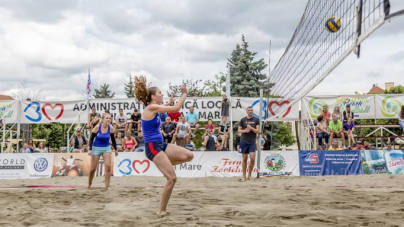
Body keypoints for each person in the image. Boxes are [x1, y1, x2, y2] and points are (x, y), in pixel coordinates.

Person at [134, 76, 193, 216]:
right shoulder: (152, 107)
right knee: (172, 179)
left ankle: (165, 165)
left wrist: (169, 102)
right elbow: (176, 108)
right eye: (160, 93)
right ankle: (161, 210)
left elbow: (166, 109)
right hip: (152, 147)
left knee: (189, 155)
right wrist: (184, 93)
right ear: (154, 97)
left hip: (160, 144)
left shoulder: (154, 108)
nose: (162, 94)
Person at [88, 112, 117, 190]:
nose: (108, 119)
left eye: (109, 118)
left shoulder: (111, 128)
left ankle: (107, 186)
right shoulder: (97, 127)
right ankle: (89, 183)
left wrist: (116, 149)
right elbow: (91, 139)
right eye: (106, 118)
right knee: (93, 169)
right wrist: (90, 149)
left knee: (108, 166)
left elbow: (113, 140)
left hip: (106, 148)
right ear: (103, 119)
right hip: (96, 148)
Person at [238, 106, 260, 181]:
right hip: (244, 141)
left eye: (251, 110)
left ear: (252, 111)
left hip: (252, 142)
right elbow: (239, 130)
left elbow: (257, 131)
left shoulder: (256, 120)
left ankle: (249, 174)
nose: (250, 111)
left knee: (253, 158)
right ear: (246, 111)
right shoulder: (242, 120)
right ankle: (244, 176)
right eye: (249, 110)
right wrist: (245, 131)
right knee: (244, 158)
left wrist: (251, 128)